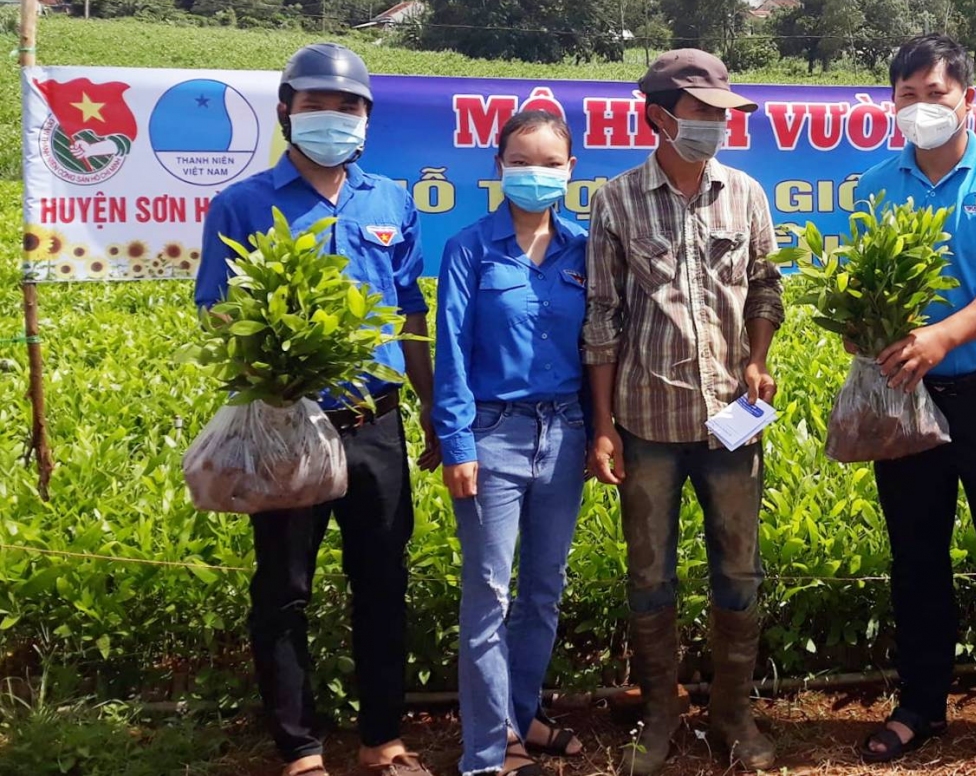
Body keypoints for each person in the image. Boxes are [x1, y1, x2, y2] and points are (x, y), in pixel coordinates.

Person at [195, 42, 438, 776]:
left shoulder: (390, 199)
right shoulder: (244, 203)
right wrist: (273, 370)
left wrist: (429, 406)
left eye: (350, 107)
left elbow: (409, 312)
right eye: (319, 105)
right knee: (284, 590)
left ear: (367, 118)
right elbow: (217, 311)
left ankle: (383, 741)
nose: (336, 118)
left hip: (376, 424)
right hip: (288, 425)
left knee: (382, 582)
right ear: (285, 113)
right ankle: (300, 749)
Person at [849, 34, 976, 762]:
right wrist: (865, 326)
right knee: (916, 552)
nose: (920, 108)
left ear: (968, 98)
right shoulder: (875, 186)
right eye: (906, 95)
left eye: (934, 94)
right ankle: (920, 703)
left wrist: (940, 335)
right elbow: (867, 286)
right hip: (908, 397)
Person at [583, 49, 784, 775]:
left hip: (732, 418)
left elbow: (765, 287)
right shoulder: (615, 200)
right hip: (646, 423)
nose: (718, 125)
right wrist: (602, 425)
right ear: (659, 117)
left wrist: (757, 358)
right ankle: (663, 710)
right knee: (649, 572)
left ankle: (733, 712)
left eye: (723, 113)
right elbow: (601, 319)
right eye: (704, 113)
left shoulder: (747, 195)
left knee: (738, 568)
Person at [433, 110, 590, 776]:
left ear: (570, 170)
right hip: (491, 436)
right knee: (490, 592)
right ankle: (487, 753)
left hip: (566, 433)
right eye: (521, 160)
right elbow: (451, 352)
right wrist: (455, 441)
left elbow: (601, 346)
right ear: (498, 167)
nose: (536, 174)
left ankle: (518, 714)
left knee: (544, 588)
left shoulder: (584, 248)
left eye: (550, 163)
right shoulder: (469, 247)